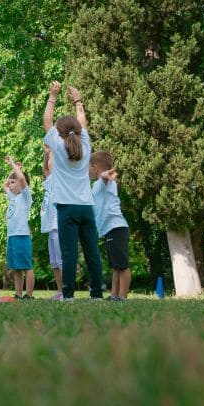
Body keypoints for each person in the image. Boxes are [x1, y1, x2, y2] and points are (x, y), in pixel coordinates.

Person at [42, 81, 104, 301]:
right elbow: (83, 123)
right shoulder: (86, 146)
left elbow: (47, 121)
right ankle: (96, 295)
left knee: (68, 254)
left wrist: (52, 95)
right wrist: (78, 100)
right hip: (86, 207)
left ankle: (68, 295)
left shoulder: (58, 148)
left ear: (59, 133)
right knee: (92, 253)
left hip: (66, 208)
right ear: (77, 131)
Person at [89, 151, 130, 301]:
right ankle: (114, 295)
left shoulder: (104, 181)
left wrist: (105, 175)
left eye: (88, 168)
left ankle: (123, 297)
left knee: (123, 266)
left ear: (94, 167)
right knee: (116, 266)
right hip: (109, 229)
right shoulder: (96, 185)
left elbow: (105, 177)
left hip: (116, 227)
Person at [4, 156, 34, 299]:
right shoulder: (12, 197)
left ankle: (28, 294)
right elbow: (4, 185)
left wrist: (14, 167)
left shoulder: (25, 196)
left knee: (26, 267)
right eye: (10, 182)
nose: (10, 185)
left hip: (22, 235)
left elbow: (21, 180)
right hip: (11, 236)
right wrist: (13, 173)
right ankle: (18, 293)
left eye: (13, 183)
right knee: (16, 268)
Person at [40, 145, 63, 300]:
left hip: (58, 224)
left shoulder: (61, 178)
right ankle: (61, 290)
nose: (49, 163)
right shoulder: (49, 179)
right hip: (50, 226)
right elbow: (45, 170)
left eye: (52, 160)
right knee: (54, 262)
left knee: (61, 260)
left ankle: (67, 291)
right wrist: (46, 155)